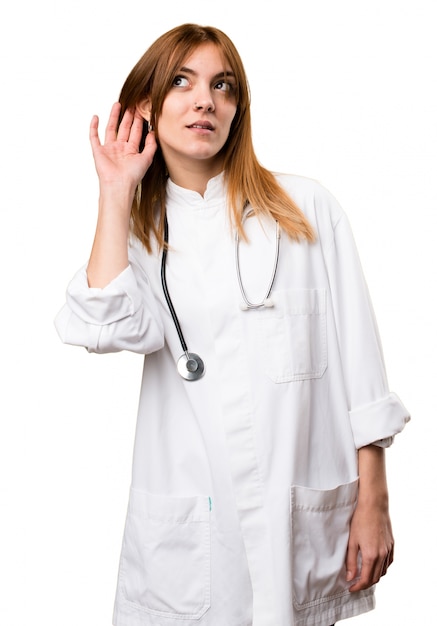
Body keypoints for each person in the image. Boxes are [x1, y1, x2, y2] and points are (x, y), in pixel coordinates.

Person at [54, 23, 410, 626]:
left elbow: (362, 364)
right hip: (194, 530)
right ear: (146, 106)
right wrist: (116, 192)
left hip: (295, 515)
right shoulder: (140, 238)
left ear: (237, 108)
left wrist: (373, 497)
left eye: (223, 86)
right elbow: (104, 325)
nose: (205, 101)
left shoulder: (305, 209)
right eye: (182, 82)